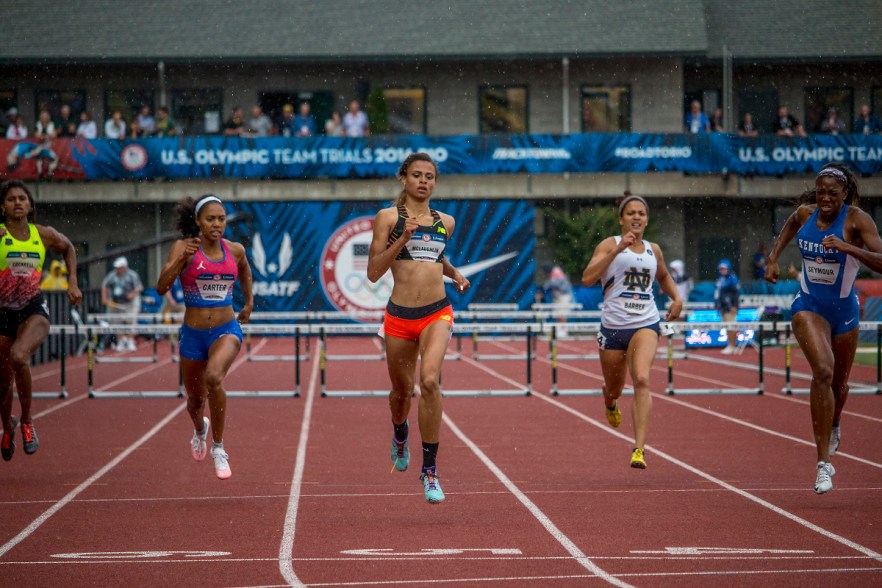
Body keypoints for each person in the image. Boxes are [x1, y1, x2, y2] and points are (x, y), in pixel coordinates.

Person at [765, 163, 882, 494]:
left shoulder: (858, 221)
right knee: (823, 372)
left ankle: (834, 422)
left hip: (844, 311)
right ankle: (822, 464)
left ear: (845, 194)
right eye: (821, 192)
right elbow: (790, 225)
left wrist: (848, 248)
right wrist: (773, 258)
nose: (826, 198)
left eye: (833, 193)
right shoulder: (805, 214)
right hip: (809, 307)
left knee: (840, 386)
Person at [367, 152, 470, 503]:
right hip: (399, 316)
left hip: (437, 312)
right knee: (400, 394)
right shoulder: (387, 217)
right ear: (404, 179)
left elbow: (433, 257)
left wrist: (453, 272)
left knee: (429, 382)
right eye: (417, 175)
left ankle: (430, 471)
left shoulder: (446, 221)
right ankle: (400, 432)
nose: (423, 181)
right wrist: (401, 237)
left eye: (430, 176)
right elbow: (374, 271)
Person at [581, 192, 683, 469]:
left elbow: (662, 275)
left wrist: (676, 298)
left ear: (647, 220)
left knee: (641, 378)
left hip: (645, 323)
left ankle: (639, 448)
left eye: (641, 213)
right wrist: (617, 250)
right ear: (621, 219)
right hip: (613, 328)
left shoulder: (654, 249)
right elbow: (588, 278)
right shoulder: (609, 244)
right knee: (615, 389)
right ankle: (609, 400)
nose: (637, 217)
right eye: (631, 213)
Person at [156, 194, 253, 480]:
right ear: (198, 221)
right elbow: (162, 287)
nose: (217, 224)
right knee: (195, 401)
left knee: (214, 378)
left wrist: (248, 303)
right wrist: (180, 261)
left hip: (226, 330)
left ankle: (219, 447)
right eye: (210, 219)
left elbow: (245, 269)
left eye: (221, 218)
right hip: (193, 335)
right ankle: (200, 429)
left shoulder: (234, 250)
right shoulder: (183, 247)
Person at [0, 180, 82, 461]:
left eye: (22, 198)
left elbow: (69, 247)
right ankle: (6, 427)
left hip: (33, 309)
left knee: (19, 356)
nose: (18, 203)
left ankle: (26, 421)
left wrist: (72, 282)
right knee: (2, 382)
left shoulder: (43, 235)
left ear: (30, 205)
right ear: (3, 207)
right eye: (11, 199)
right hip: (2, 313)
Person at [101, 256, 143, 352]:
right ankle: (120, 340)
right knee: (115, 320)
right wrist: (104, 298)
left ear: (125, 267)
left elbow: (139, 287)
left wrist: (131, 295)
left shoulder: (132, 275)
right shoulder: (112, 276)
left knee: (131, 320)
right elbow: (104, 286)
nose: (118, 270)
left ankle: (130, 340)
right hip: (116, 302)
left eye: (120, 267)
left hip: (130, 302)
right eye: (117, 268)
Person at [540, 263, 574, 337]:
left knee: (562, 314)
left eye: (544, 271)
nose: (543, 272)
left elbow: (552, 285)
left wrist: (543, 292)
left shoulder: (556, 272)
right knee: (557, 314)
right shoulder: (552, 273)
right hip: (557, 297)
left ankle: (564, 331)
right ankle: (560, 330)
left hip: (563, 296)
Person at [715, 258, 741, 354]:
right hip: (724, 308)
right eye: (721, 269)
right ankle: (730, 345)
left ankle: (732, 345)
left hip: (730, 307)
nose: (723, 270)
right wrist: (719, 306)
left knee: (732, 327)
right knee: (727, 327)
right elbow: (718, 295)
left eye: (724, 269)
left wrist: (735, 306)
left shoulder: (733, 279)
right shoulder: (721, 279)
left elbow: (736, 294)